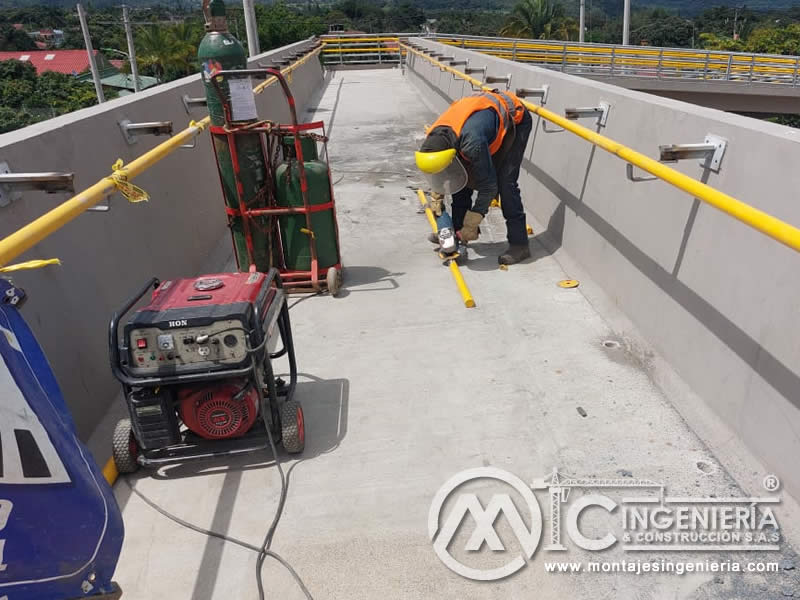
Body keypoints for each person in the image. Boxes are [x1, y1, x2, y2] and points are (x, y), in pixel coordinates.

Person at [415, 89, 533, 265]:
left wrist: (472, 224)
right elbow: (445, 175)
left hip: (513, 118)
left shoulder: (473, 143)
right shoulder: (434, 136)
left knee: (504, 183)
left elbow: (488, 187)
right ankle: (456, 233)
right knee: (460, 178)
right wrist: (436, 198)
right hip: (479, 118)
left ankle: (520, 244)